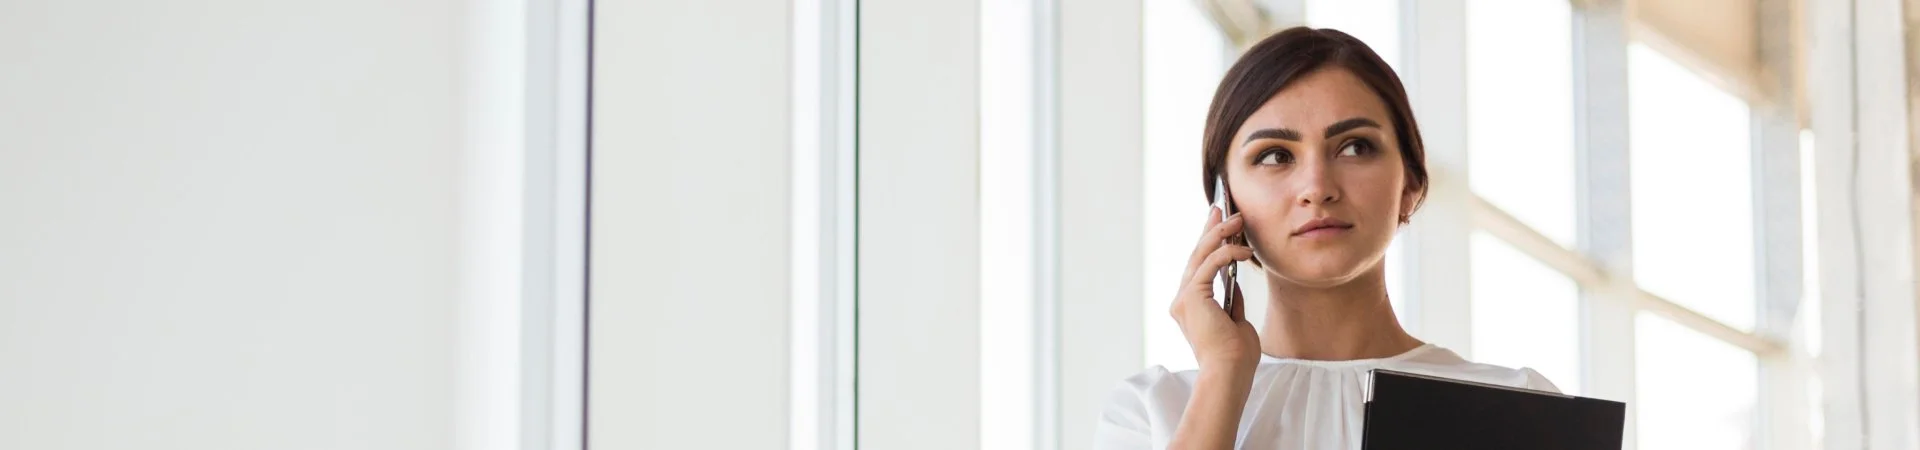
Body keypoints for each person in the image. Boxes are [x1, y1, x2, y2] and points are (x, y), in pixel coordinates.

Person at [1093, 27, 1559, 450]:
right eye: (1275, 155)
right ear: (1225, 200)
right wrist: (1223, 377)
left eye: (1355, 147)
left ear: (1410, 184)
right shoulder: (1153, 412)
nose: (1317, 187)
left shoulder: (1524, 410)